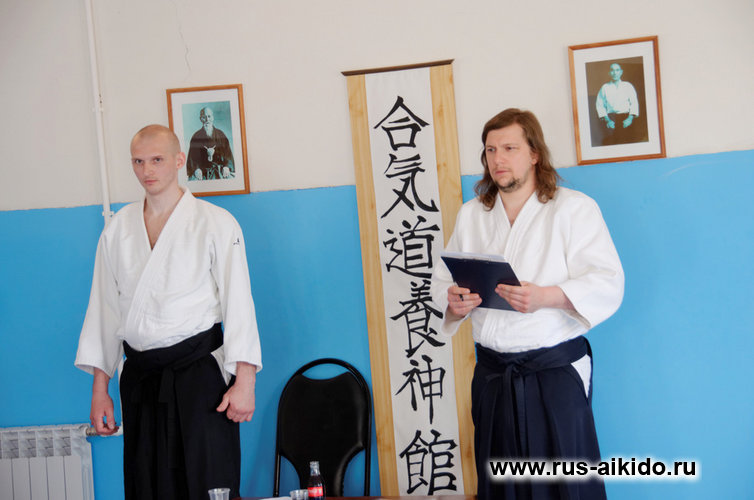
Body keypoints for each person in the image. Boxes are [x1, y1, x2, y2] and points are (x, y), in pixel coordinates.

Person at [430, 109, 624, 500]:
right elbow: (443, 283)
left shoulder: (573, 208)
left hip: (553, 374)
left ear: (534, 153)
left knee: (566, 486)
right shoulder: (472, 215)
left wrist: (546, 296)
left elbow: (608, 281)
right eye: (490, 150)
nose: (498, 159)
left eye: (509, 148)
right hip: (493, 376)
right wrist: (454, 303)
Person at [75, 125, 262, 500]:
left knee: (209, 481)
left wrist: (245, 382)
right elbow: (104, 311)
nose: (147, 170)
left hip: (199, 376)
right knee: (147, 484)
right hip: (141, 377)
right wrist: (100, 390)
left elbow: (239, 302)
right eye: (138, 162)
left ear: (179, 161)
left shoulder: (216, 222)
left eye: (157, 160)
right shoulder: (118, 229)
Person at [595, 63, 640, 145]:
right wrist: (608, 120)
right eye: (612, 70)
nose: (615, 73)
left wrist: (630, 119)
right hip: (611, 119)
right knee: (614, 144)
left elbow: (634, 102)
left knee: (629, 143)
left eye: (617, 70)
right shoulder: (605, 87)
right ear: (609, 73)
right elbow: (600, 105)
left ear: (621, 72)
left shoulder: (628, 85)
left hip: (626, 119)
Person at [186, 106, 235, 180]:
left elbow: (228, 154)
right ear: (200, 119)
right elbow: (192, 158)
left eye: (209, 116)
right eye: (204, 117)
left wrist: (227, 166)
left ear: (213, 118)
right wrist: (196, 169)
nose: (207, 120)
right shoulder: (196, 137)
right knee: (193, 180)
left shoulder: (221, 135)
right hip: (202, 172)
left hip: (220, 170)